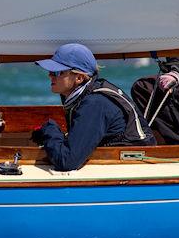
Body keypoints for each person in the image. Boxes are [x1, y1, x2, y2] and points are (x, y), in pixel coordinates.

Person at [31, 43, 156, 171]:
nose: (50, 75)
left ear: (79, 78)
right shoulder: (86, 95)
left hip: (133, 165)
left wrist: (49, 130)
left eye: (57, 72)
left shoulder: (94, 104)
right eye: (51, 71)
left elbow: (67, 161)